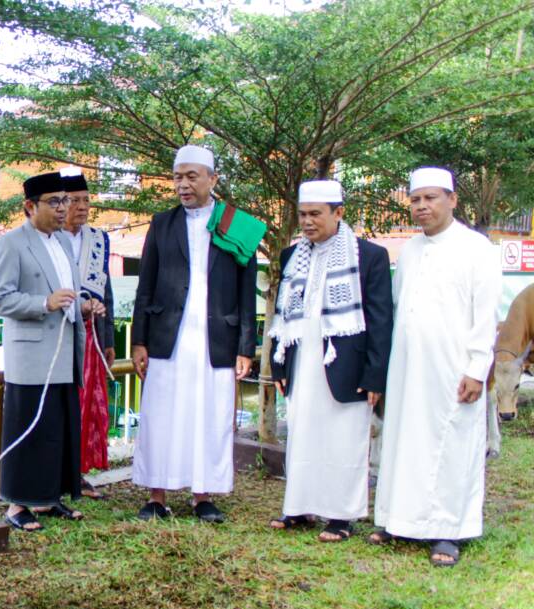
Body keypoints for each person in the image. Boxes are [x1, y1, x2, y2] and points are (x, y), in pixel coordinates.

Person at [372, 167, 501, 566]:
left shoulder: (477, 248)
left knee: (451, 444)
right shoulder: (410, 250)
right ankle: (398, 519)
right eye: (415, 199)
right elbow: (399, 308)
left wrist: (477, 368)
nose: (421, 206)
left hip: (453, 368)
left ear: (452, 200)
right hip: (407, 366)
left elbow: (485, 315)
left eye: (431, 198)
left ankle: (448, 530)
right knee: (404, 440)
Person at [130, 145, 257, 523]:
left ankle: (203, 496)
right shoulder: (161, 224)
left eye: (191, 177)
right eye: (177, 177)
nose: (183, 185)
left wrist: (245, 347)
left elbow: (246, 293)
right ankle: (157, 495)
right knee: (161, 415)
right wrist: (139, 341)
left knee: (210, 415)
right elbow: (145, 286)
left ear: (212, 179)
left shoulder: (238, 226)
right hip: (167, 336)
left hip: (216, 339)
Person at [267, 179, 392, 542]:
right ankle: (299, 506)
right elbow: (282, 315)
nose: (307, 222)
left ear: (338, 213)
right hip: (301, 360)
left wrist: (375, 376)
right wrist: (279, 364)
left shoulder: (369, 256)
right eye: (303, 214)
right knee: (302, 434)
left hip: (348, 364)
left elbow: (381, 321)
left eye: (315, 214)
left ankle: (341, 516)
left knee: (344, 438)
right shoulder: (292, 256)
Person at [0, 171, 105, 532]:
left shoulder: (63, 242)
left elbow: (67, 293)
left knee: (57, 429)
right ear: (29, 206)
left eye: (65, 200)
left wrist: (84, 307)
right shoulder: (12, 244)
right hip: (32, 355)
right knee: (28, 428)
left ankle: (49, 497)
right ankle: (17, 505)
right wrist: (44, 303)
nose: (63, 208)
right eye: (54, 202)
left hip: (65, 352)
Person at [61, 168, 115, 499]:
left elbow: (106, 291)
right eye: (74, 201)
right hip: (58, 334)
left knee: (87, 402)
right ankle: (56, 471)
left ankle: (78, 473)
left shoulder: (98, 239)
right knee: (61, 403)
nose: (82, 207)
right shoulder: (50, 238)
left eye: (86, 201)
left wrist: (109, 340)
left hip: (92, 336)